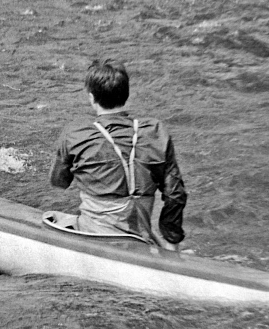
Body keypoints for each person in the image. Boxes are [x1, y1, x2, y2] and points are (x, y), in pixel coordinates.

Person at [47, 59, 186, 248]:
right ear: (126, 95)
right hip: (141, 240)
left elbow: (58, 182)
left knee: (50, 218)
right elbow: (175, 194)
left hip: (94, 237)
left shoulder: (75, 133)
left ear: (91, 98)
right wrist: (171, 240)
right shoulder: (155, 132)